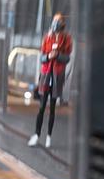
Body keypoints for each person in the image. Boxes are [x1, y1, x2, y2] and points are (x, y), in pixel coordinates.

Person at [28, 13, 72, 148]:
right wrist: (48, 56)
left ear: (62, 24)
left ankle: (49, 136)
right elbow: (41, 57)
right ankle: (36, 134)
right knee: (41, 107)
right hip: (46, 74)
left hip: (57, 75)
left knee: (52, 108)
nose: (55, 23)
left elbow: (67, 58)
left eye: (58, 21)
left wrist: (57, 55)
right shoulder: (47, 37)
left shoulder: (67, 39)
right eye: (54, 20)